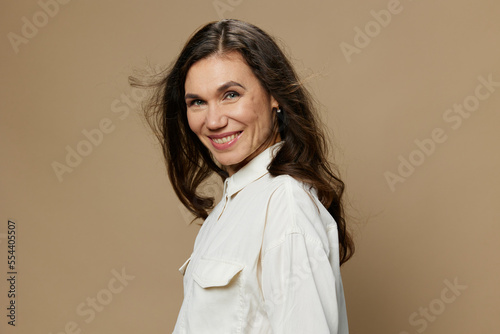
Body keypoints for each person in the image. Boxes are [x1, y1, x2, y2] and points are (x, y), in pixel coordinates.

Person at [133, 19, 354, 334]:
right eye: (197, 102)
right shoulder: (229, 208)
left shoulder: (285, 206)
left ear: (274, 95)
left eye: (230, 95)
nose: (213, 120)